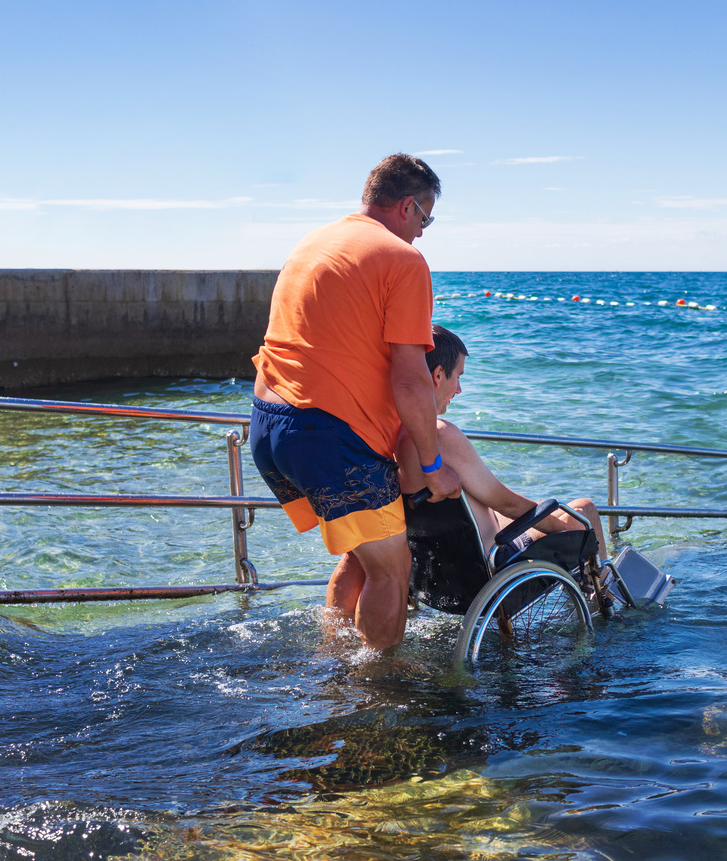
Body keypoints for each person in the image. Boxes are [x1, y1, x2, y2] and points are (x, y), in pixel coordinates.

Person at [250, 154, 461, 651]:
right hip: (328, 435)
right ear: (407, 205)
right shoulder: (402, 259)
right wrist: (432, 465)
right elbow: (412, 380)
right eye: (425, 218)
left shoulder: (315, 241)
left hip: (268, 424)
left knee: (361, 554)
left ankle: (336, 657)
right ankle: (376, 693)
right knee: (392, 569)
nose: (424, 232)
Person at [397, 325, 608, 558]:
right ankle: (605, 593)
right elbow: (508, 504)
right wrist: (567, 531)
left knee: (550, 513)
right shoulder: (442, 436)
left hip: (444, 565)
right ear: (438, 375)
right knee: (582, 510)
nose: (459, 390)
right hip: (496, 560)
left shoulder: (395, 436)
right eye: (457, 377)